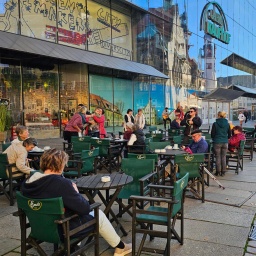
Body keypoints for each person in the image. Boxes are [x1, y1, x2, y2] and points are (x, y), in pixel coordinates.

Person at [21, 148, 132, 256]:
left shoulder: (27, 183)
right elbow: (84, 209)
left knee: (71, 213)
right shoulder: (61, 184)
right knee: (99, 215)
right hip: (60, 231)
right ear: (60, 165)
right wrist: (75, 192)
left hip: (38, 228)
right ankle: (121, 247)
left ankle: (73, 250)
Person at [211, 111, 231, 176]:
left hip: (217, 141)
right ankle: (223, 171)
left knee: (217, 157)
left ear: (218, 115)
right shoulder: (227, 124)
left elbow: (212, 134)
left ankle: (218, 171)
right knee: (223, 156)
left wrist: (215, 138)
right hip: (225, 142)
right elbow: (229, 134)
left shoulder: (215, 124)